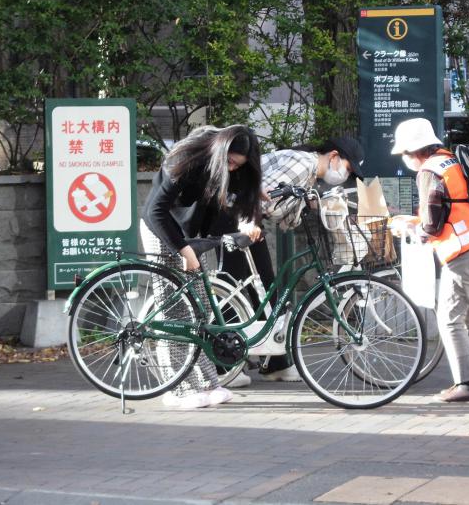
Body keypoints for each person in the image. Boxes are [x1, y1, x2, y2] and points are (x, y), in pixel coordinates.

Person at [209, 137, 365, 387]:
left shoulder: (310, 173)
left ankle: (275, 362)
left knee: (266, 287)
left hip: (246, 219)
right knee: (233, 288)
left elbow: (284, 214)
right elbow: (261, 196)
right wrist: (247, 223)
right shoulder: (303, 163)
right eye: (347, 168)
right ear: (334, 156)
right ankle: (223, 366)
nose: (344, 175)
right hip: (234, 217)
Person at [140, 124, 263, 408]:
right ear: (221, 153)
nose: (232, 170)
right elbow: (154, 211)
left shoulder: (231, 168)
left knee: (201, 309)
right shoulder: (188, 159)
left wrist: (249, 218)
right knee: (175, 312)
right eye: (230, 163)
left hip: (191, 234)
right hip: (162, 230)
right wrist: (183, 250)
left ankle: (207, 383)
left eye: (238, 166)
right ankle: (175, 388)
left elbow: (241, 198)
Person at [391, 118, 469, 402]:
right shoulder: (452, 161)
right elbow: (454, 206)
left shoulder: (428, 171)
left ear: (414, 152)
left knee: (450, 318)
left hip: (466, 249)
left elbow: (432, 224)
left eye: (404, 154)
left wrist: (410, 227)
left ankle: (466, 384)